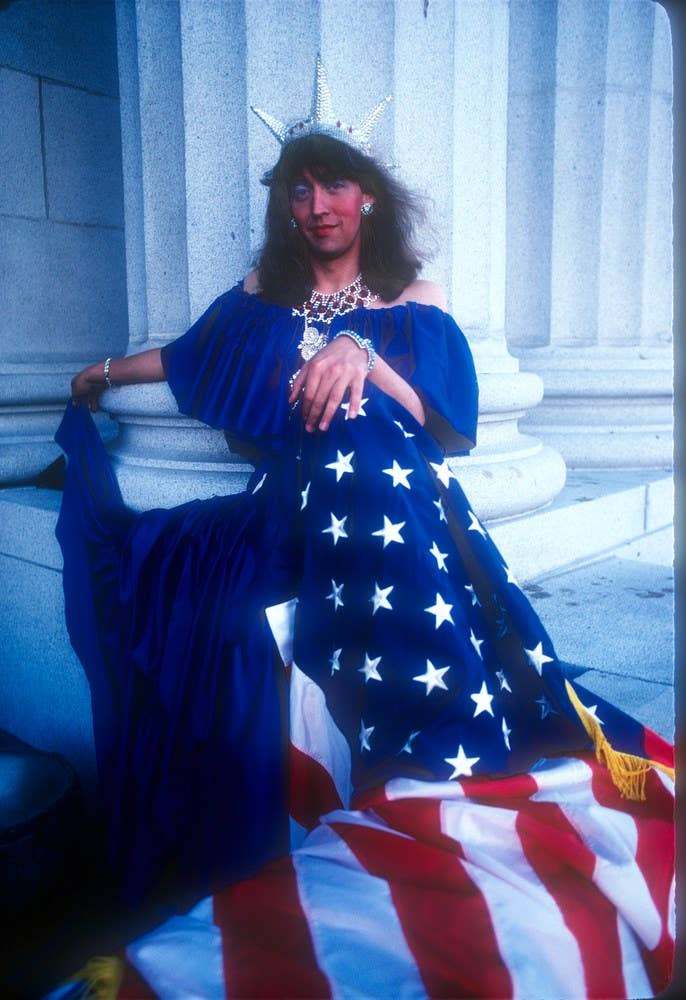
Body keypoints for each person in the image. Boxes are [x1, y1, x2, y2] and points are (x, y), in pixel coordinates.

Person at [55, 60, 674, 999]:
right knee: (345, 445)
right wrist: (101, 374)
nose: (317, 205)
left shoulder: (413, 300)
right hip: (290, 508)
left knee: (370, 430)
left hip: (388, 492)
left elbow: (434, 420)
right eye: (299, 189)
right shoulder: (261, 296)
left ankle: (439, 747)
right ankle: (437, 736)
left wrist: (359, 352)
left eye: (335, 184)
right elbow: (184, 358)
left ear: (370, 198)